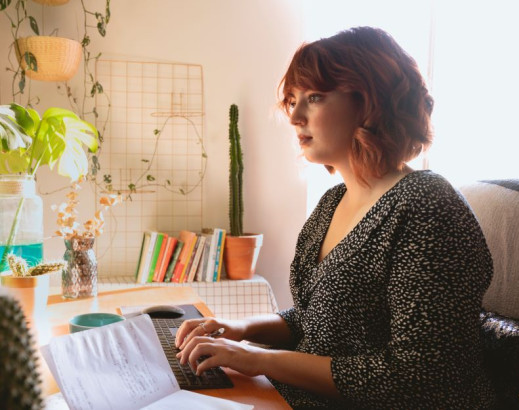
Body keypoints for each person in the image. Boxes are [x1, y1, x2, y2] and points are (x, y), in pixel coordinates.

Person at [175, 26, 496, 409]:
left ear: (369, 102)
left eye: (314, 97)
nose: (294, 115)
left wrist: (257, 359)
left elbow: (419, 375)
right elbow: (321, 320)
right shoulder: (333, 202)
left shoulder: (426, 207)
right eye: (292, 100)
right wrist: (239, 329)